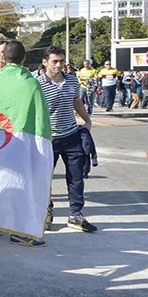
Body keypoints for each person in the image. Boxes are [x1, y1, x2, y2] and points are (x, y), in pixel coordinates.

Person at [0, 41, 53, 247]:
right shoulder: (30, 83)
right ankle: (19, 232)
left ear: (4, 58)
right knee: (19, 186)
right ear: (24, 58)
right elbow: (41, 117)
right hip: (20, 145)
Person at [38, 46, 97, 233]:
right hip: (49, 139)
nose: (58, 65)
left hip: (72, 135)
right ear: (45, 62)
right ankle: (45, 213)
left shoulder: (71, 79)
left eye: (61, 61)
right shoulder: (37, 83)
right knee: (44, 178)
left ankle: (76, 215)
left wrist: (87, 120)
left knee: (76, 177)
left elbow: (76, 101)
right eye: (54, 61)